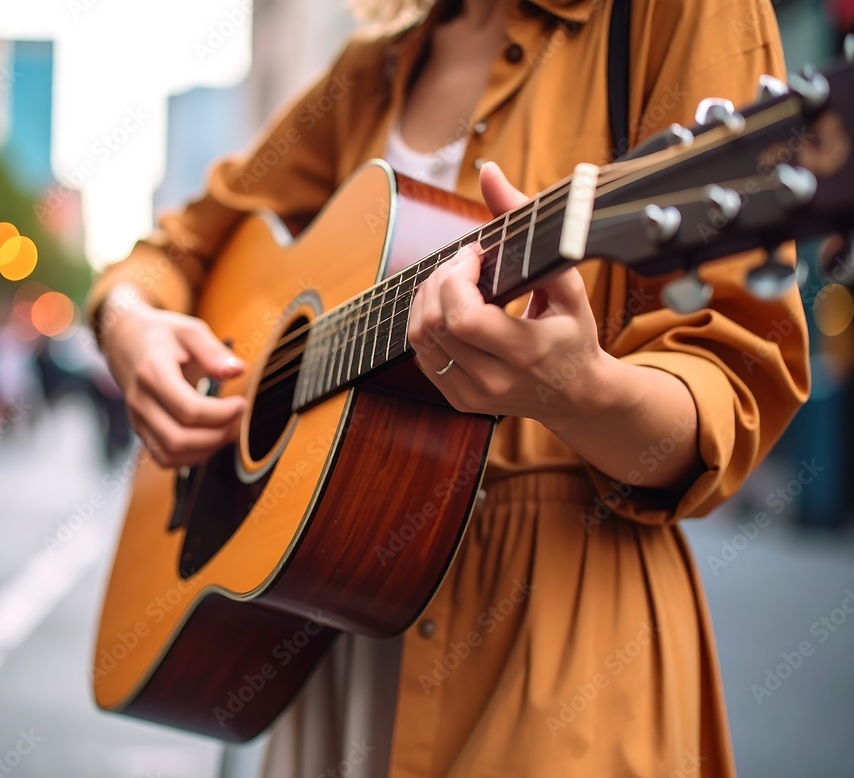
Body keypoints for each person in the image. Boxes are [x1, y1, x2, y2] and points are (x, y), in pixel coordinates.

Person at [88, 0, 811, 775]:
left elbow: (729, 386)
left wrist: (580, 392)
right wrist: (129, 322)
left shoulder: (676, 14)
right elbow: (176, 249)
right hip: (324, 639)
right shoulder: (375, 67)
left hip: (553, 657)